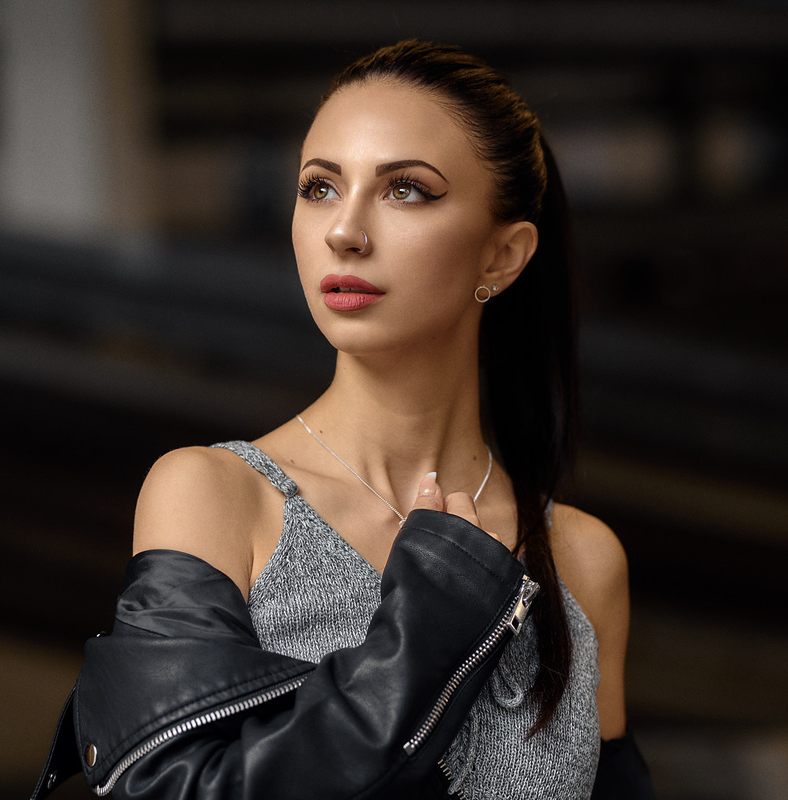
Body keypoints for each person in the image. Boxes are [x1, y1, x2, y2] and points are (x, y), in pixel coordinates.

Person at [32, 40, 655, 799]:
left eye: (407, 191)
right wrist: (427, 625)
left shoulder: (583, 560)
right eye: (320, 188)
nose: (345, 231)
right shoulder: (217, 496)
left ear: (503, 255)